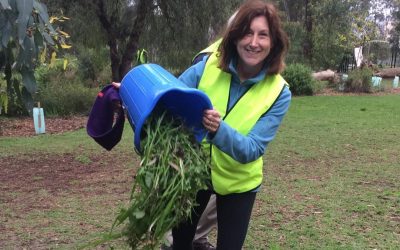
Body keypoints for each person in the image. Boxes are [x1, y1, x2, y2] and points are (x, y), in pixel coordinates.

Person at [172, 0, 291, 249]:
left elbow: (252, 149)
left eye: (263, 35)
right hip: (195, 172)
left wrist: (217, 129)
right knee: (179, 242)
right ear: (235, 37)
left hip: (239, 183)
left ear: (274, 42)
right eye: (247, 32)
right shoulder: (207, 66)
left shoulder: (279, 92)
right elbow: (170, 95)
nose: (253, 42)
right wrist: (131, 92)